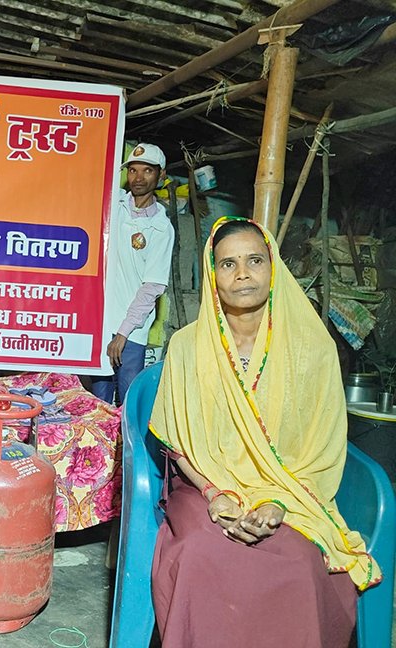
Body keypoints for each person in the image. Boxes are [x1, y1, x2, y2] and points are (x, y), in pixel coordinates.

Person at [149, 217, 381, 647]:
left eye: (254, 260)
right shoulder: (186, 346)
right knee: (199, 553)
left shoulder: (313, 349)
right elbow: (178, 442)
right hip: (205, 489)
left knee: (299, 564)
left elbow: (323, 446)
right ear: (212, 275)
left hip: (290, 491)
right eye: (228, 264)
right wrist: (216, 495)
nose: (242, 274)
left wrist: (278, 503)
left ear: (273, 267)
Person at [91, 143, 174, 405]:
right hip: (99, 323)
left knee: (128, 403)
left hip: (131, 331)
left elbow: (152, 287)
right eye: (133, 170)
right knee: (97, 403)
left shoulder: (161, 228)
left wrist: (122, 333)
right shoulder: (113, 204)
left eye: (147, 170)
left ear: (161, 175)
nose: (138, 178)